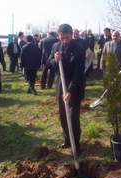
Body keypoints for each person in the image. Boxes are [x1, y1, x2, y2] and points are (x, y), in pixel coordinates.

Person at [46, 24, 85, 157]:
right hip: (60, 87)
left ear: (71, 35)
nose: (65, 41)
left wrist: (70, 91)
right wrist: (55, 61)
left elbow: (78, 73)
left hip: (74, 89)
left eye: (67, 37)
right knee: (63, 116)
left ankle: (76, 146)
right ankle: (67, 140)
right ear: (58, 36)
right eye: (62, 38)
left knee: (73, 117)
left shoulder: (79, 49)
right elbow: (48, 62)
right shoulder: (55, 46)